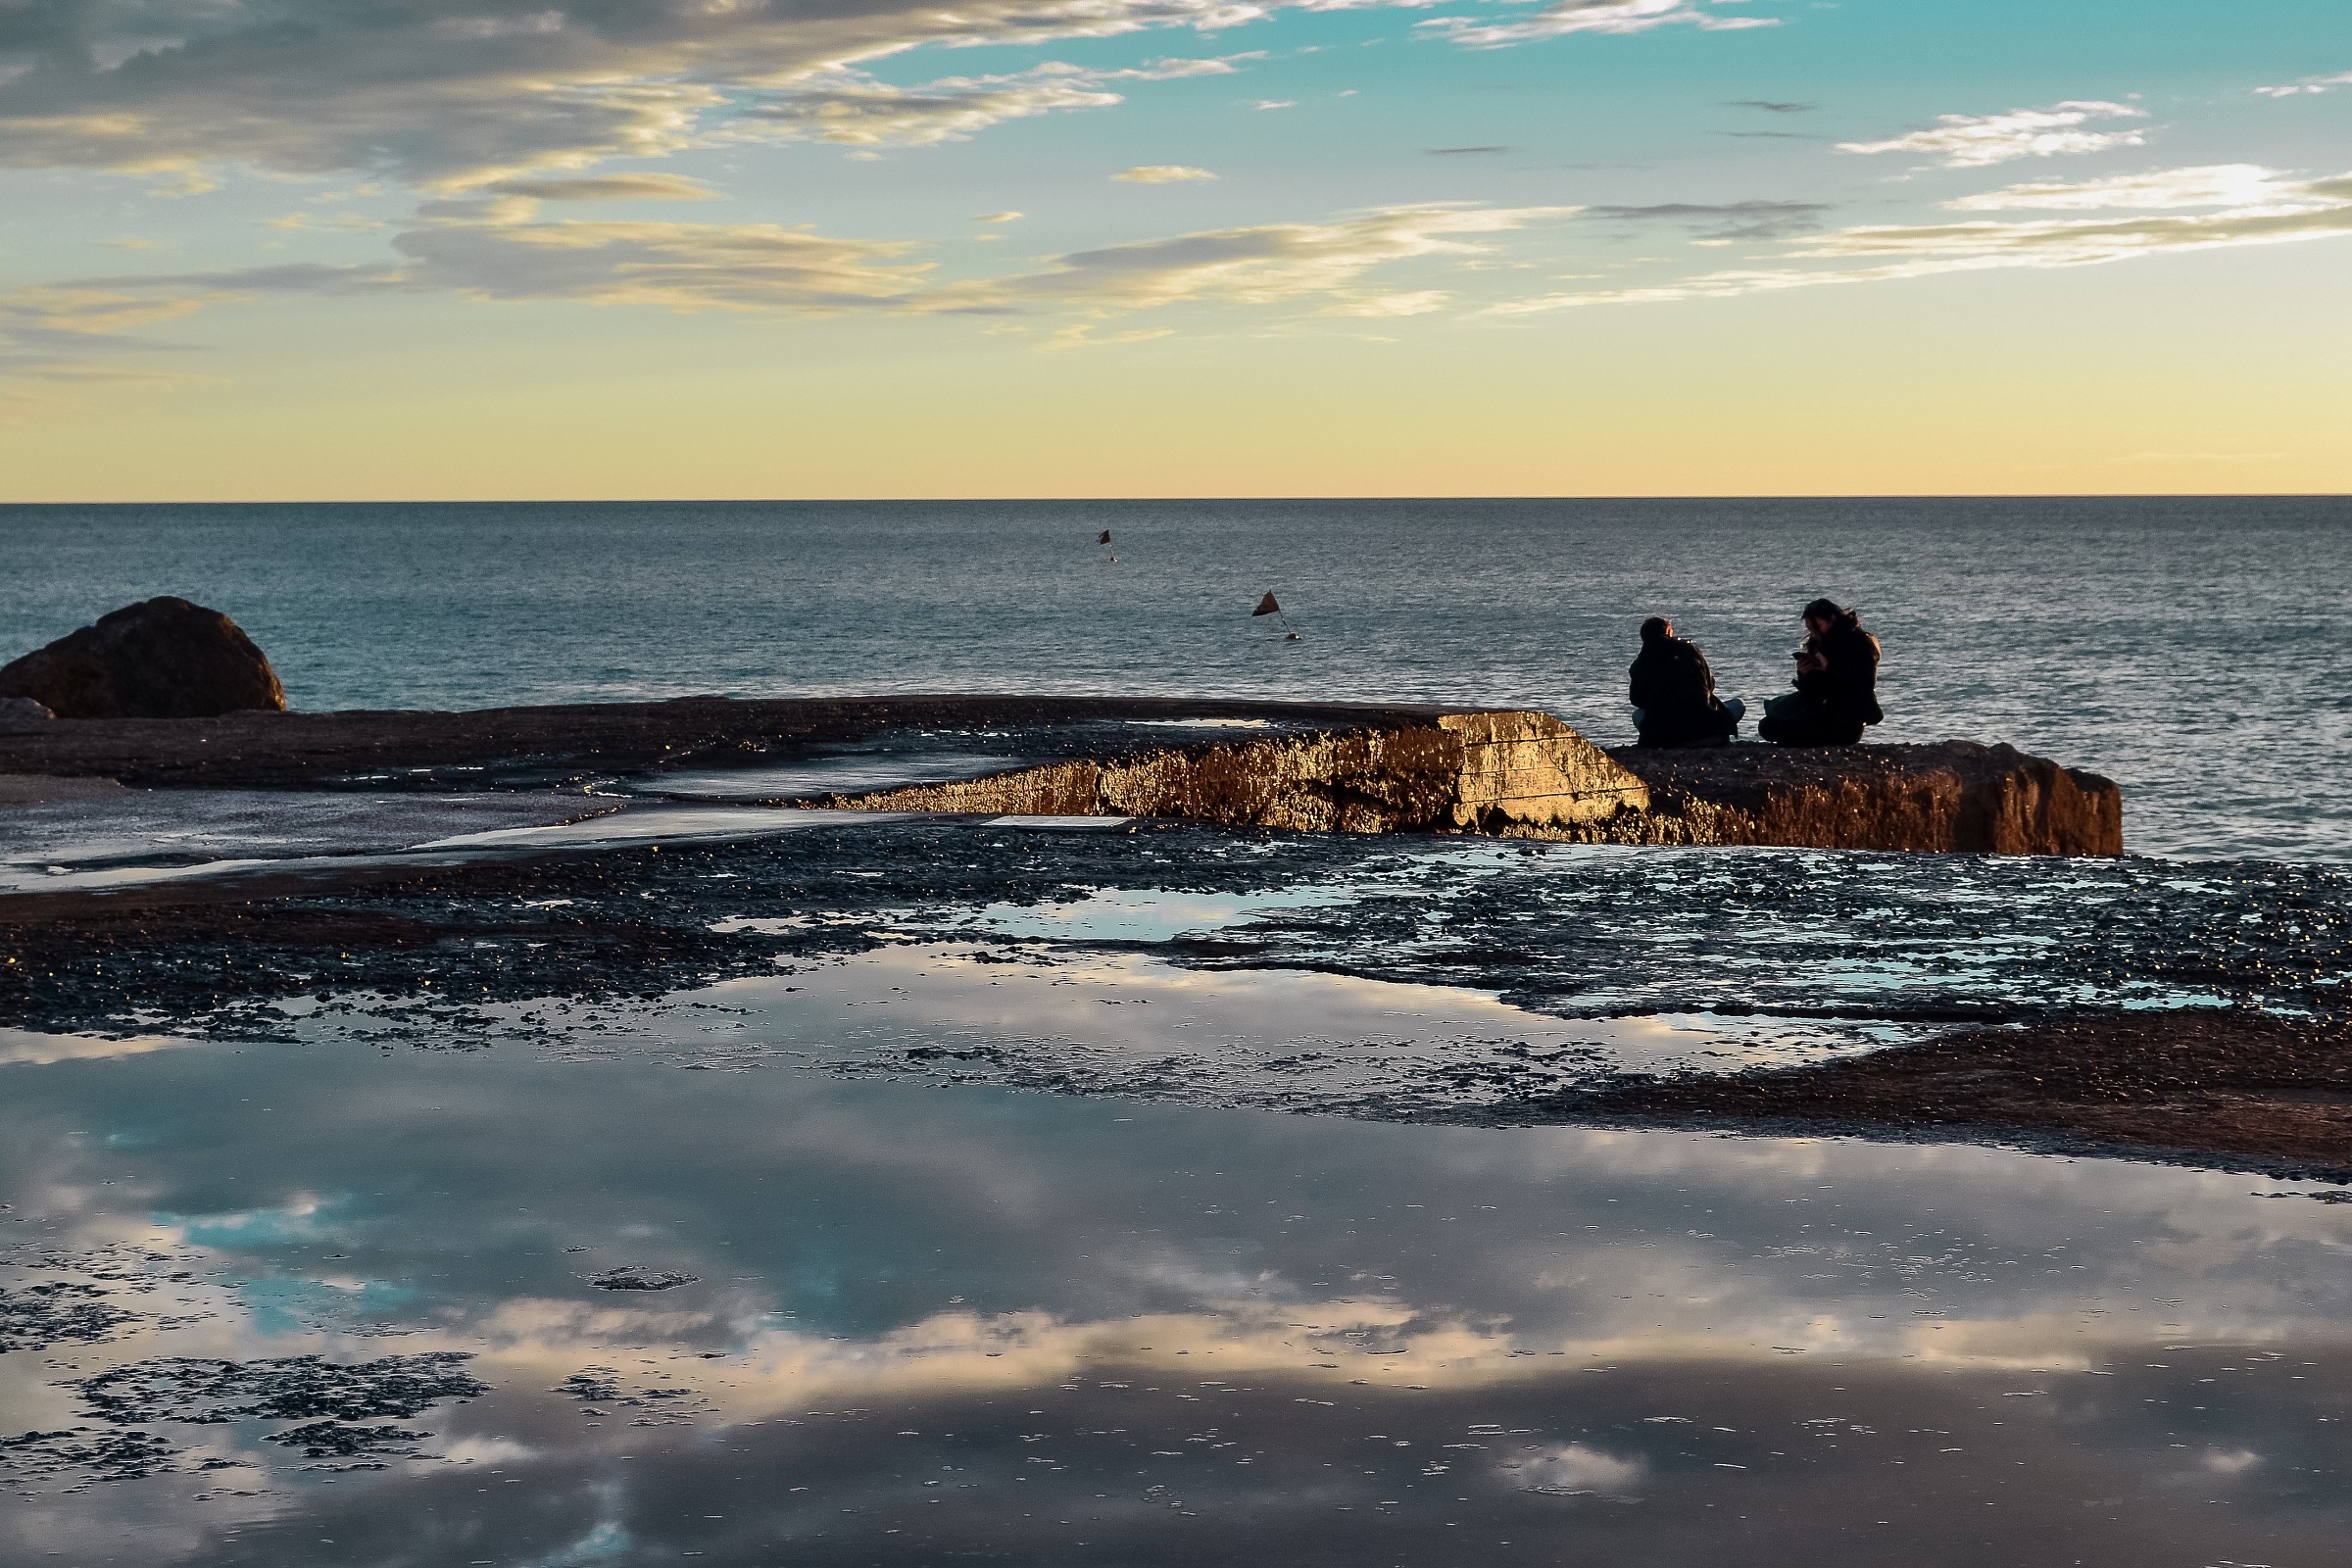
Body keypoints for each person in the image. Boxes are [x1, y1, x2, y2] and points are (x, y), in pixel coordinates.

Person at [1757, 598, 1883, 746]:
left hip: (1848, 719)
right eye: (1810, 628)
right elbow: (1815, 693)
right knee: (1767, 725)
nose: (1814, 633)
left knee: (1784, 733)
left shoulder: (1859, 643)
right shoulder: (1819, 643)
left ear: (1832, 619)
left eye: (1818, 626)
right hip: (1822, 711)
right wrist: (1804, 674)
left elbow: (1862, 684)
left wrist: (1828, 668)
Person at [1629, 616, 1743, 747]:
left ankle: (1672, 737)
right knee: (1737, 704)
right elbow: (1710, 685)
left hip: (1662, 737)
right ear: (1668, 632)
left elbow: (1637, 700)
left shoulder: (1639, 664)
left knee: (1638, 714)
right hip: (1707, 730)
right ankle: (1705, 735)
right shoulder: (1689, 650)